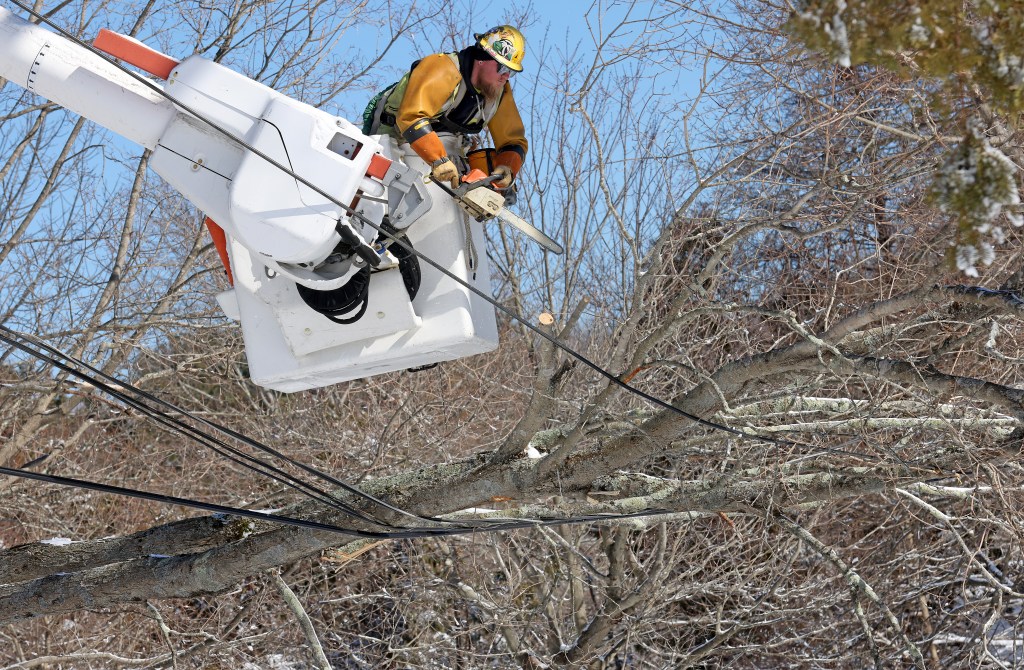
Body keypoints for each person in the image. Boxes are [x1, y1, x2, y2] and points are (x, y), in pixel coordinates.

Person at [363, 25, 528, 191]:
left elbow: (513, 140)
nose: (506, 77)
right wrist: (438, 159)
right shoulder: (442, 68)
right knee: (378, 194)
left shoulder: (498, 92)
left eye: (511, 72)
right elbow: (411, 116)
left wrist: (507, 167)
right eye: (503, 68)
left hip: (441, 148)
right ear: (481, 59)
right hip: (394, 136)